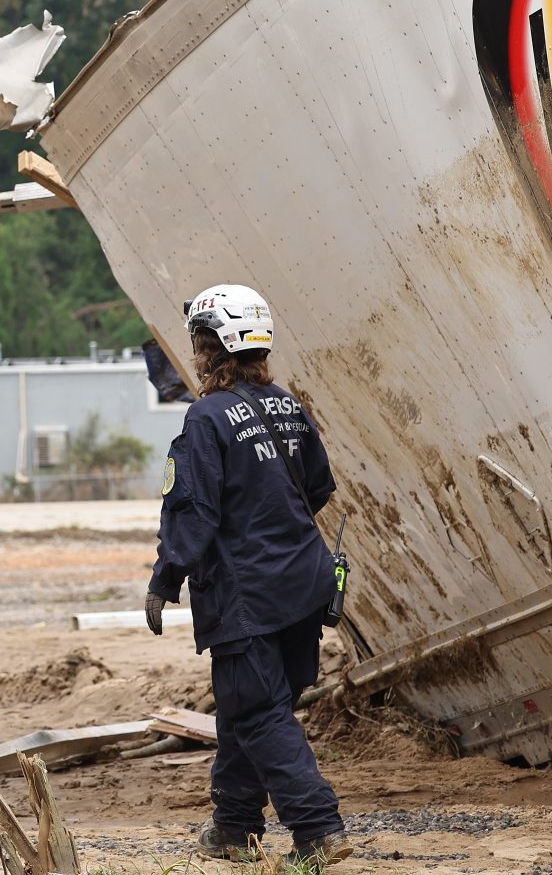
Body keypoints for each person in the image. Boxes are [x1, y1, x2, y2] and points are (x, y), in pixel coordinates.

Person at [144, 285, 351, 871]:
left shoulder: (206, 417)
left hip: (248, 598)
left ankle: (318, 829)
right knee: (249, 708)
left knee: (259, 713)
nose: (196, 353)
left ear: (216, 348)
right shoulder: (286, 403)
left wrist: (165, 581)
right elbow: (317, 488)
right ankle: (234, 826)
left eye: (200, 342)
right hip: (304, 586)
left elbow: (193, 511)